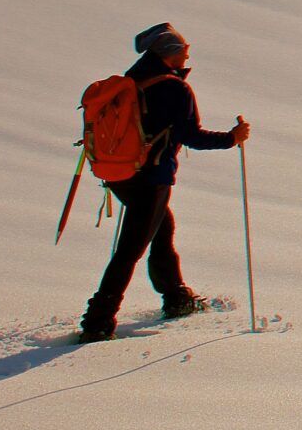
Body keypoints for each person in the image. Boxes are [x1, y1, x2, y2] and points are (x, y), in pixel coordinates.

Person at [79, 22, 251, 343]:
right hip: (152, 178)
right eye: (184, 49)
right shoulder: (174, 88)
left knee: (162, 229)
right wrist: (232, 138)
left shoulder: (130, 82)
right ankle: (97, 321)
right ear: (170, 54)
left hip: (121, 177)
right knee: (130, 250)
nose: (188, 53)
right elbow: (191, 136)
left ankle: (176, 297)